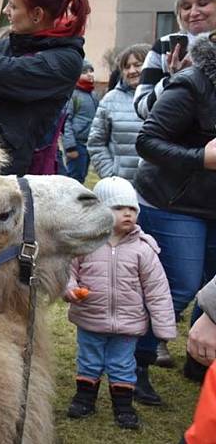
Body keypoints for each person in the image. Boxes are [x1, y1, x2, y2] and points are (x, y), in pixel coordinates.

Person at [133, 28, 216, 399]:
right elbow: (147, 141)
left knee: (208, 289)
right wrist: (202, 159)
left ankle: (202, 364)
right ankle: (134, 364)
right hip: (173, 202)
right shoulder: (193, 83)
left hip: (211, 204)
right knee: (178, 287)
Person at [64, 177, 175, 430]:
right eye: (118, 208)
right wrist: (69, 289)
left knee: (122, 364)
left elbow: (157, 290)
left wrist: (164, 328)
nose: (127, 213)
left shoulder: (143, 249)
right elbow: (66, 272)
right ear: (99, 211)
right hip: (91, 318)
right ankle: (84, 399)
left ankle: (123, 406)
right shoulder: (84, 244)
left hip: (128, 323)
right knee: (89, 360)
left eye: (132, 208)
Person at [0, 0, 90, 176]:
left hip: (19, 176)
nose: (6, 10)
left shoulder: (65, 60)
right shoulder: (12, 45)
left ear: (37, 14)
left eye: (13, 6)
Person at [134, 0, 216, 119]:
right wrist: (175, 80)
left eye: (203, 3)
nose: (194, 12)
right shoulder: (164, 46)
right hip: (175, 141)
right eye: (186, 7)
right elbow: (142, 108)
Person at [87, 44, 150, 183]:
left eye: (137, 65)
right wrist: (111, 176)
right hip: (122, 189)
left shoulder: (165, 96)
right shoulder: (110, 100)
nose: (132, 71)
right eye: (126, 67)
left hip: (157, 189)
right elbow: (95, 143)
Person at [61, 59, 98, 182]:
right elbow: (65, 122)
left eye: (91, 71)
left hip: (88, 143)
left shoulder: (93, 95)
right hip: (77, 144)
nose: (89, 74)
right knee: (74, 178)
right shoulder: (73, 95)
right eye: (84, 71)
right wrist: (70, 147)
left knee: (82, 176)